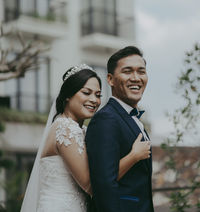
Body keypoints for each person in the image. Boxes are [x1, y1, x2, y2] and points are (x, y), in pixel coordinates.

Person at [21, 63, 150, 212]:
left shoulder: (82, 130)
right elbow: (90, 184)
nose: (94, 100)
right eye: (86, 92)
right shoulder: (65, 128)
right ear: (68, 96)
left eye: (98, 95)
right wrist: (133, 156)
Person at [86, 46, 154, 212]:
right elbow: (104, 185)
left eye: (141, 71)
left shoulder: (130, 118)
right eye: (128, 71)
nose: (136, 78)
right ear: (110, 79)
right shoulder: (106, 119)